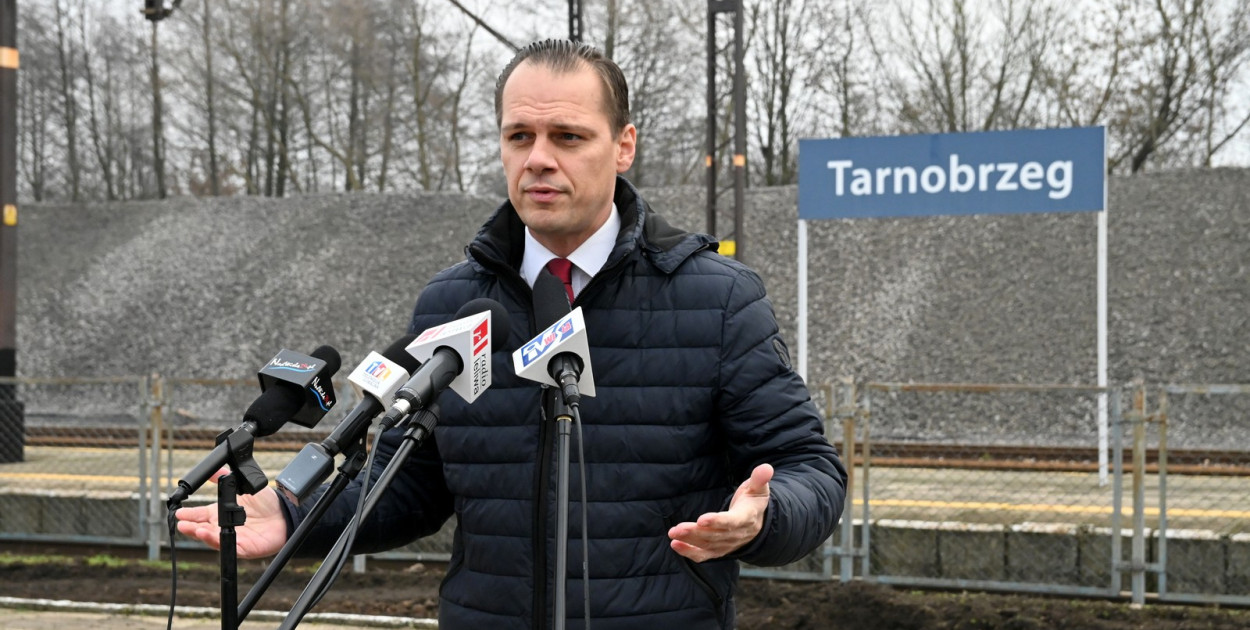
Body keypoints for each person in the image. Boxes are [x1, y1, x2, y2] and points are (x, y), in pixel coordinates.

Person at [176, 39, 846, 630]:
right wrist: (294, 517)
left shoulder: (718, 299)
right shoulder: (451, 302)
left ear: (624, 145)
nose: (539, 159)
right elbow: (407, 486)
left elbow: (812, 471)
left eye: (568, 137)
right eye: (519, 136)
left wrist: (764, 517)